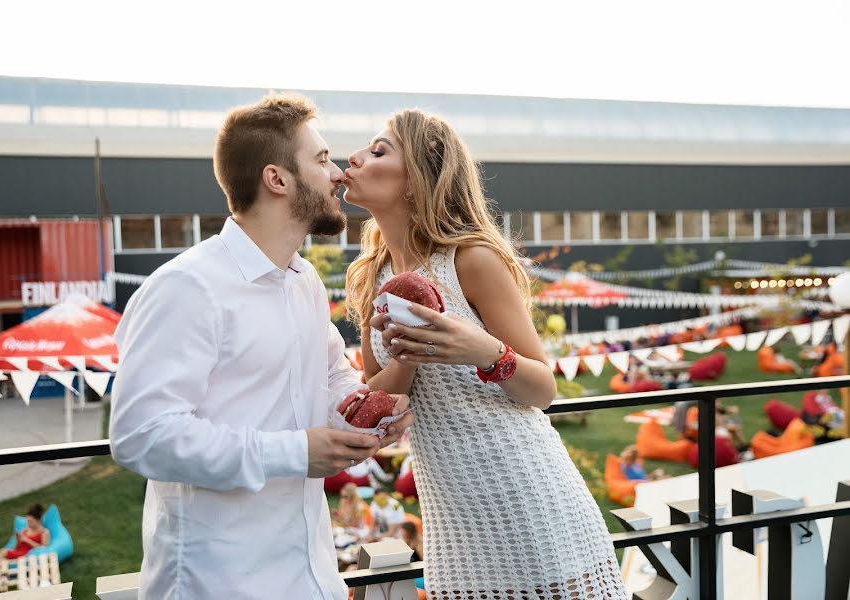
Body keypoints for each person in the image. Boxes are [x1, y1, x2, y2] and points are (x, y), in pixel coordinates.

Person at [110, 94, 413, 600]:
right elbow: (141, 434)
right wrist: (296, 452)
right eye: (320, 160)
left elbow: (332, 379)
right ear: (277, 179)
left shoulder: (305, 280)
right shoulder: (188, 287)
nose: (337, 173)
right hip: (218, 582)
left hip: (311, 574)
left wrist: (368, 417)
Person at [343, 110, 626, 599]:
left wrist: (482, 350)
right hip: (454, 517)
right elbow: (384, 405)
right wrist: (408, 358)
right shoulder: (373, 278)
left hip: (529, 496)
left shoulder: (470, 259)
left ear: (416, 180)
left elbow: (543, 388)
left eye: (379, 150)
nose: (355, 157)